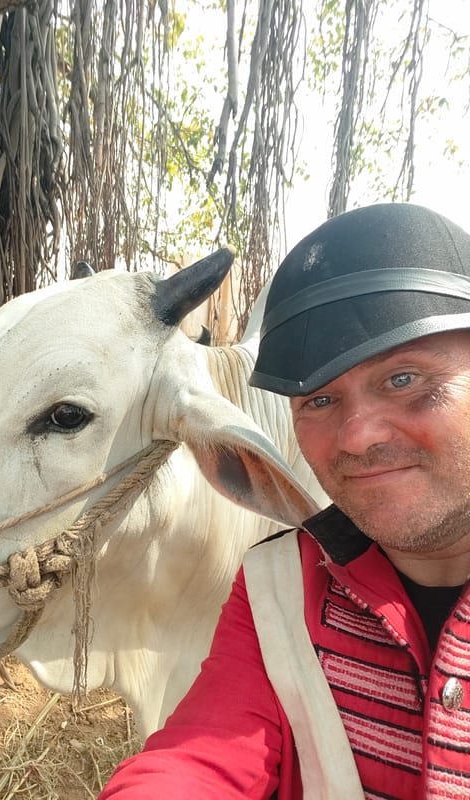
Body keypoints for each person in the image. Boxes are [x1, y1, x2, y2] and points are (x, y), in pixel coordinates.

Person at [98, 202, 470, 799]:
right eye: (318, 400)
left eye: (403, 379)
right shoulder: (277, 587)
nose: (357, 437)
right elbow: (200, 761)